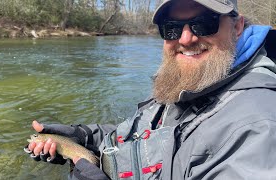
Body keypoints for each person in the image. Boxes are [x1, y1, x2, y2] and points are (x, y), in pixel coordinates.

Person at [24, 0, 276, 179]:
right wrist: (86, 138)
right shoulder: (188, 80)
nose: (186, 39)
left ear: (238, 26)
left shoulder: (257, 127)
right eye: (172, 28)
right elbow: (145, 132)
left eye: (203, 23)